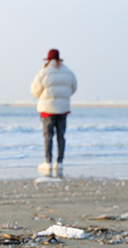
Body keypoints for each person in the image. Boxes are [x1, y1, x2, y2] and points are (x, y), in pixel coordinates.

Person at [31, 49, 77, 178]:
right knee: (61, 136)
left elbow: (35, 91)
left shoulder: (43, 73)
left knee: (48, 136)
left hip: (47, 110)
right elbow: (73, 88)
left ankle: (48, 161)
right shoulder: (68, 72)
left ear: (47, 60)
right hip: (63, 109)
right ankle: (60, 161)